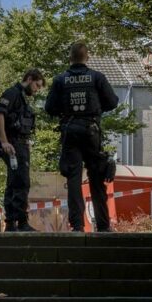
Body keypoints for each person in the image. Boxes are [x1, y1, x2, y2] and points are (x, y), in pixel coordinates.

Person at [45, 41, 119, 232]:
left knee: (74, 180)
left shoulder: (60, 80)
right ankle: (103, 225)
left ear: (70, 58)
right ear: (87, 57)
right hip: (91, 131)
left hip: (70, 132)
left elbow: (49, 108)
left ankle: (77, 225)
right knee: (97, 178)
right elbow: (113, 102)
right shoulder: (97, 77)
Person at [0, 69, 45, 232]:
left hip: (20, 144)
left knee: (13, 183)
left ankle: (10, 223)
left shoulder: (22, 98)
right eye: (37, 85)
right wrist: (4, 142)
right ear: (29, 79)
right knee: (22, 182)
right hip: (13, 145)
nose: (37, 89)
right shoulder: (13, 93)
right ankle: (21, 222)